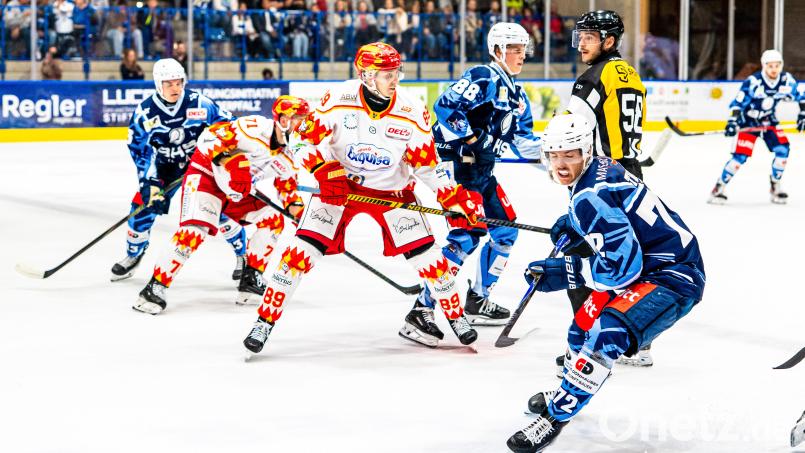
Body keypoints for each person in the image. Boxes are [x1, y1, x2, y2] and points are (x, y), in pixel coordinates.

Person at [241, 42, 482, 355]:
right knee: (297, 257)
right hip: (340, 189)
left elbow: (427, 166)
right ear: (366, 75)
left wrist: (452, 201)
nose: (394, 79)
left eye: (396, 71)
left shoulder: (411, 110)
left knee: (432, 262)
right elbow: (301, 142)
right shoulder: (338, 99)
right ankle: (264, 321)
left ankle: (456, 316)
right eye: (386, 73)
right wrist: (322, 169)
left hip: (391, 193)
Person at [505, 114, 705, 453]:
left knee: (606, 332)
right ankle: (569, 387)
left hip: (673, 277)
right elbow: (618, 214)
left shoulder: (588, 196)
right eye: (554, 155)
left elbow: (623, 270)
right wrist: (574, 224)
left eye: (569, 154)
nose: (561, 164)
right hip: (650, 265)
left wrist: (566, 271)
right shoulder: (599, 167)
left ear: (585, 150)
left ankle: (556, 417)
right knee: (580, 326)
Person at [398, 22, 542, 348]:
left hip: (482, 172)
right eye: (513, 49)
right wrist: (475, 138)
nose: (520, 55)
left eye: (522, 49)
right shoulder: (483, 77)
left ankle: (477, 299)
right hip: (460, 170)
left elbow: (525, 140)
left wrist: (563, 160)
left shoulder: (517, 95)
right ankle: (421, 309)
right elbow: (446, 108)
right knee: (467, 235)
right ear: (497, 51)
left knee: (505, 230)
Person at [134, 98, 310, 314]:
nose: (303, 125)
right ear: (282, 120)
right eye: (299, 120)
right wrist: (232, 162)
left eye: (305, 120)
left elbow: (287, 188)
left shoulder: (291, 155)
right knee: (193, 232)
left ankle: (251, 281)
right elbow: (208, 137)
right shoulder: (253, 128)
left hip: (238, 187)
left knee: (273, 220)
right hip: (207, 175)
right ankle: (154, 288)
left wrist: (299, 213)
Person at [564, 10, 652, 367]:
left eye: (589, 36)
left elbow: (572, 134)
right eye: (580, 36)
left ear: (609, 41)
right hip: (631, 175)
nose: (581, 43)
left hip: (600, 180)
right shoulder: (630, 74)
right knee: (626, 257)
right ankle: (639, 342)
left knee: (577, 257)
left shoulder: (591, 78)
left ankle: (588, 343)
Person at [111, 58, 248, 283]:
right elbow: (140, 149)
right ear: (158, 85)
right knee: (142, 207)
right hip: (165, 167)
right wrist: (149, 181)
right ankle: (133, 254)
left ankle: (243, 255)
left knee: (218, 210)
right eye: (169, 84)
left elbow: (228, 126)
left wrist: (226, 157)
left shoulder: (200, 103)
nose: (175, 88)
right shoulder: (145, 112)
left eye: (178, 82)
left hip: (200, 165)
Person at [708, 49, 805, 205]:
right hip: (748, 122)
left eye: (777, 65)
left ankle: (775, 187)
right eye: (770, 66)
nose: (774, 69)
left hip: (769, 122)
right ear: (763, 66)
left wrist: (803, 114)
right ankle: (718, 189)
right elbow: (738, 103)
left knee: (783, 151)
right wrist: (733, 121)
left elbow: (801, 97)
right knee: (739, 158)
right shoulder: (754, 82)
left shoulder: (787, 81)